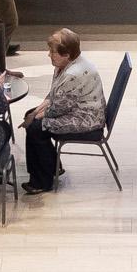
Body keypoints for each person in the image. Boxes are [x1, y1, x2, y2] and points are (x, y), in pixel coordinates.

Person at [22, 28, 104, 196]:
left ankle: (42, 182)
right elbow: (54, 95)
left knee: (36, 128)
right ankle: (52, 166)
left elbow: (58, 109)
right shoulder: (66, 65)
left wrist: (35, 117)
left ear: (66, 54)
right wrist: (35, 112)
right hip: (77, 109)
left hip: (85, 118)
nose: (49, 55)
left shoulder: (73, 74)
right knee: (32, 117)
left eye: (52, 52)